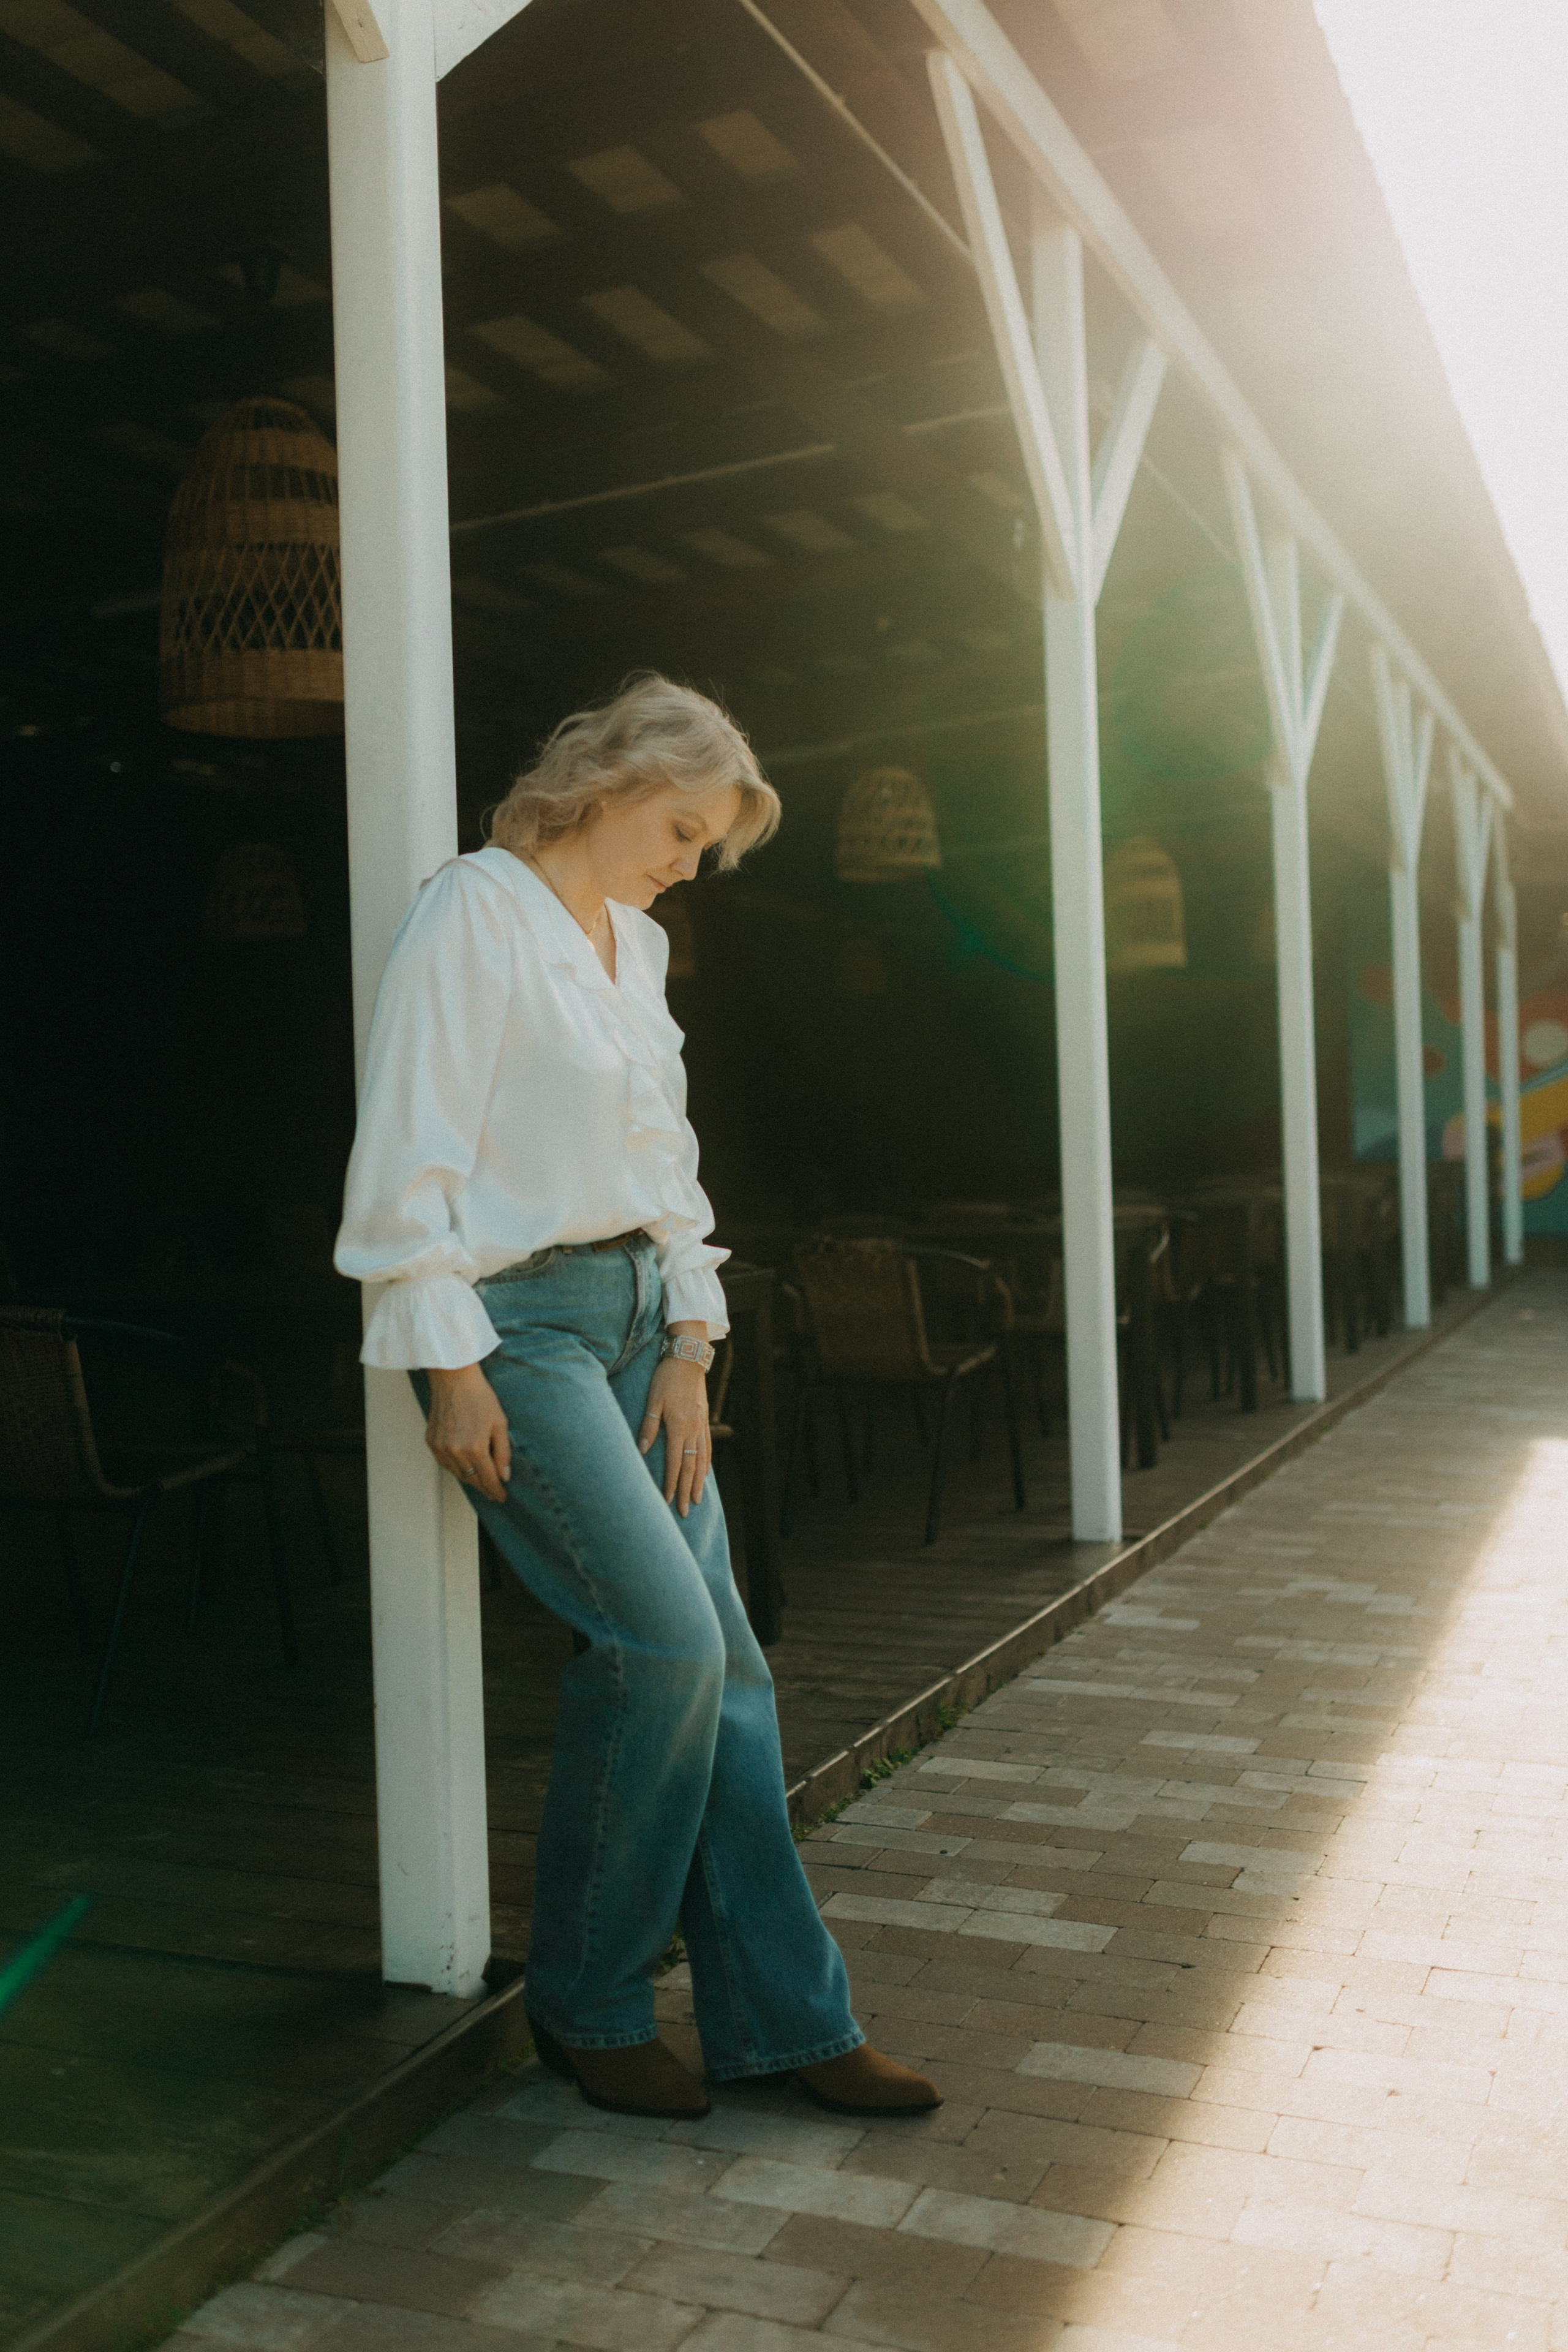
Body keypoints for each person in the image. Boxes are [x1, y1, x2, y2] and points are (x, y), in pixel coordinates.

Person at [334, 673, 940, 2123]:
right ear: (606, 786)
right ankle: (590, 2002)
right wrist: (450, 1365)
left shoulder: (639, 951)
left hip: (633, 1332)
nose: (686, 863)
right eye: (678, 829)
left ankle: (787, 2023)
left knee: (730, 1674)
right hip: (521, 1332)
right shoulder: (470, 913)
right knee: (662, 1649)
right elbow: (407, 1152)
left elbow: (661, 1160)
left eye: (703, 848)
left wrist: (688, 1342)